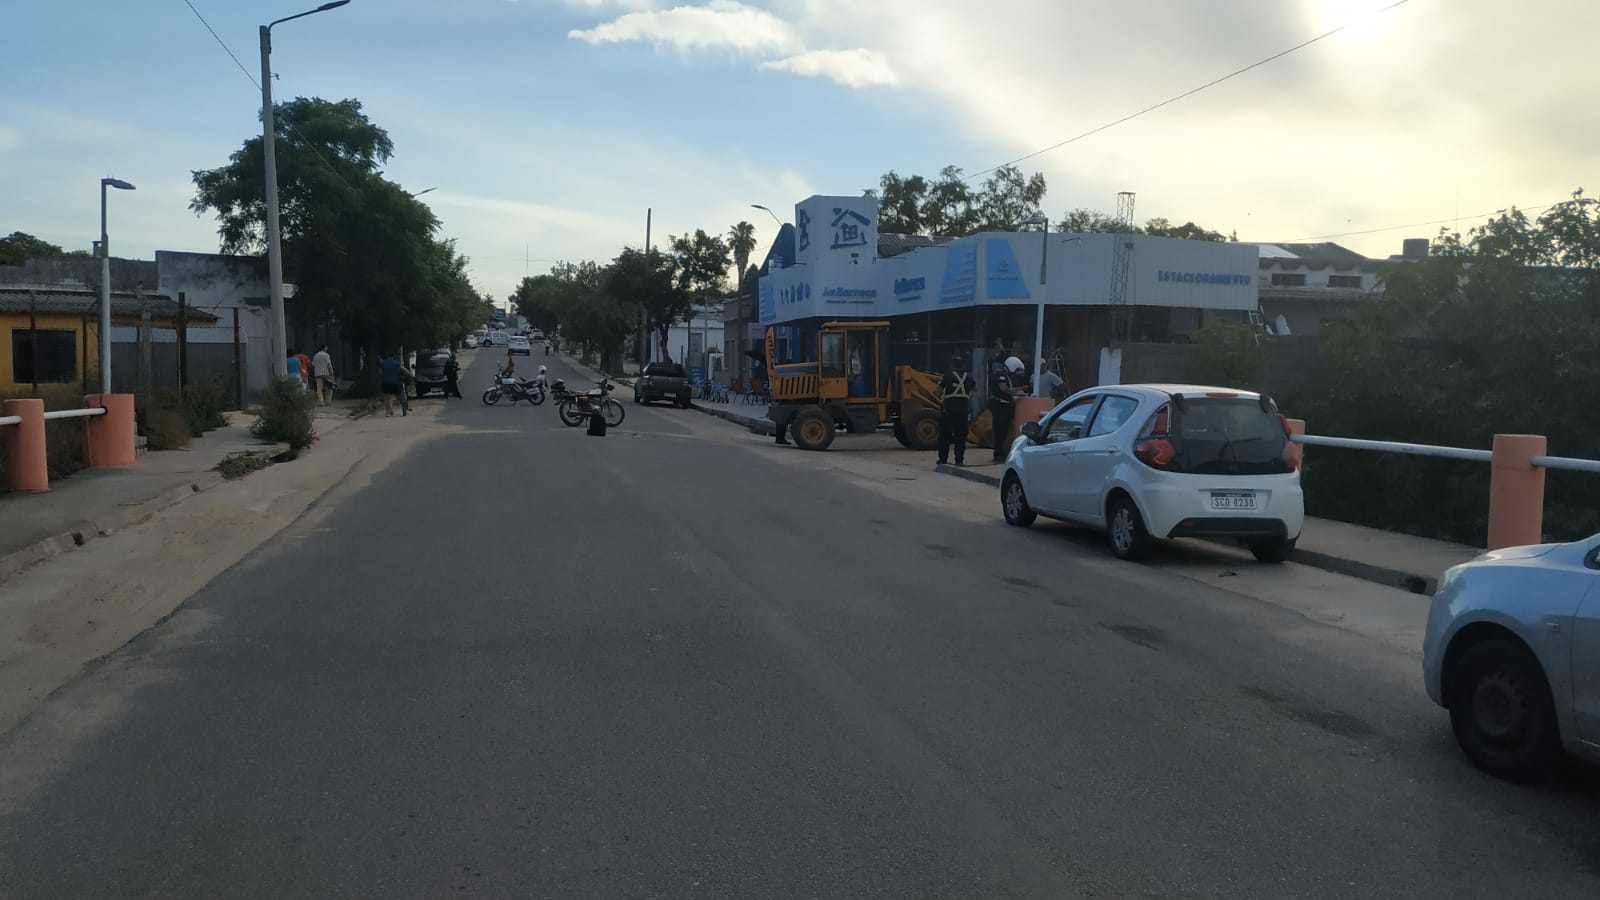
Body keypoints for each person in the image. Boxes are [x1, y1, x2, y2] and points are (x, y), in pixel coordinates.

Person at [937, 354, 976, 467]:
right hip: (963, 409)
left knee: (945, 434)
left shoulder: (948, 376)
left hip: (949, 408)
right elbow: (973, 389)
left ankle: (943, 459)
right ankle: (959, 460)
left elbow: (938, 390)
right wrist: (967, 396)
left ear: (952, 365)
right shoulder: (969, 377)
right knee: (961, 435)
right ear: (963, 365)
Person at [990, 355, 1025, 462]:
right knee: (1000, 431)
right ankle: (998, 454)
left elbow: (1007, 388)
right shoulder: (1001, 374)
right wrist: (1016, 392)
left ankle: (1001, 452)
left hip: (1004, 406)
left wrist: (1021, 389)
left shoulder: (1005, 375)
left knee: (1004, 431)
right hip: (1000, 406)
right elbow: (1003, 388)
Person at [378, 352, 408, 417]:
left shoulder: (382, 363)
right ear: (393, 356)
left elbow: (380, 373)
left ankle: (387, 412)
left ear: (387, 356)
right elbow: (404, 369)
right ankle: (391, 408)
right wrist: (411, 376)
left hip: (385, 382)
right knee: (392, 397)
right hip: (393, 382)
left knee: (386, 397)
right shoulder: (395, 363)